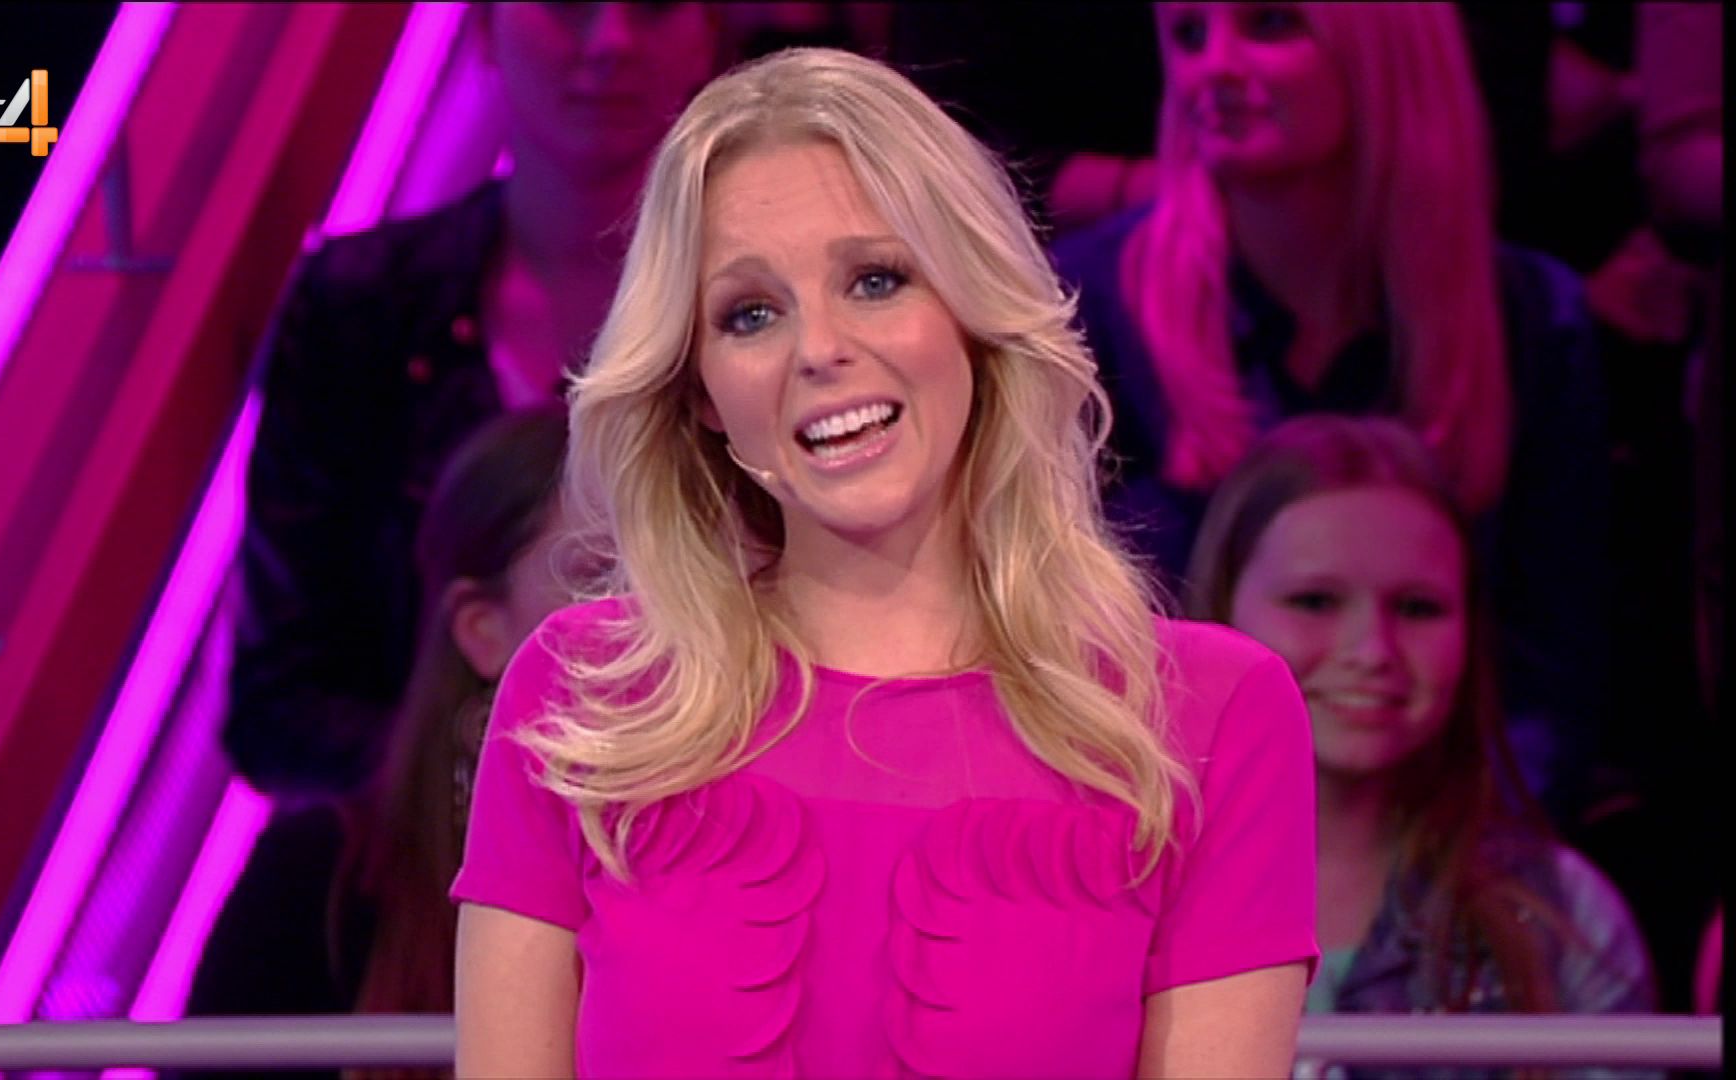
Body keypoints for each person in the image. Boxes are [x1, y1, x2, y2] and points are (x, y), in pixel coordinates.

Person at [452, 47, 1317, 1078]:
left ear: (972, 316)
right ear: (700, 393)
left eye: (876, 280)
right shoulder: (587, 707)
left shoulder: (1203, 719)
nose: (819, 349)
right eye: (750, 314)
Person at [1051, 1, 1608, 826]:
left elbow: (1554, 667)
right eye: (1190, 34)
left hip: (1443, 840)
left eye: (1271, 25)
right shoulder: (1082, 308)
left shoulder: (1529, 317)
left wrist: (1460, 854)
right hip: (1156, 827)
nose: (1214, 68)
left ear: (1386, 51)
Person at [227, 3, 723, 798]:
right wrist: (491, 777)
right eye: (568, 6)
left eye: (655, 5)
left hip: (715, 830)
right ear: (484, 30)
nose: (612, 42)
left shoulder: (765, 309)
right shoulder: (361, 309)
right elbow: (280, 705)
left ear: (706, 36)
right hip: (423, 848)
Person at [1185, 416, 1655, 1072]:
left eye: (1416, 609)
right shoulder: (1118, 889)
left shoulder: (1562, 915)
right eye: (1315, 601)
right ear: (1220, 609)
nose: (1373, 651)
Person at [184, 407, 583, 1080]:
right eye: (598, 574)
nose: (647, 616)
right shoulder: (320, 886)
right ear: (483, 631)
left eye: (677, 570)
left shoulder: (737, 859)